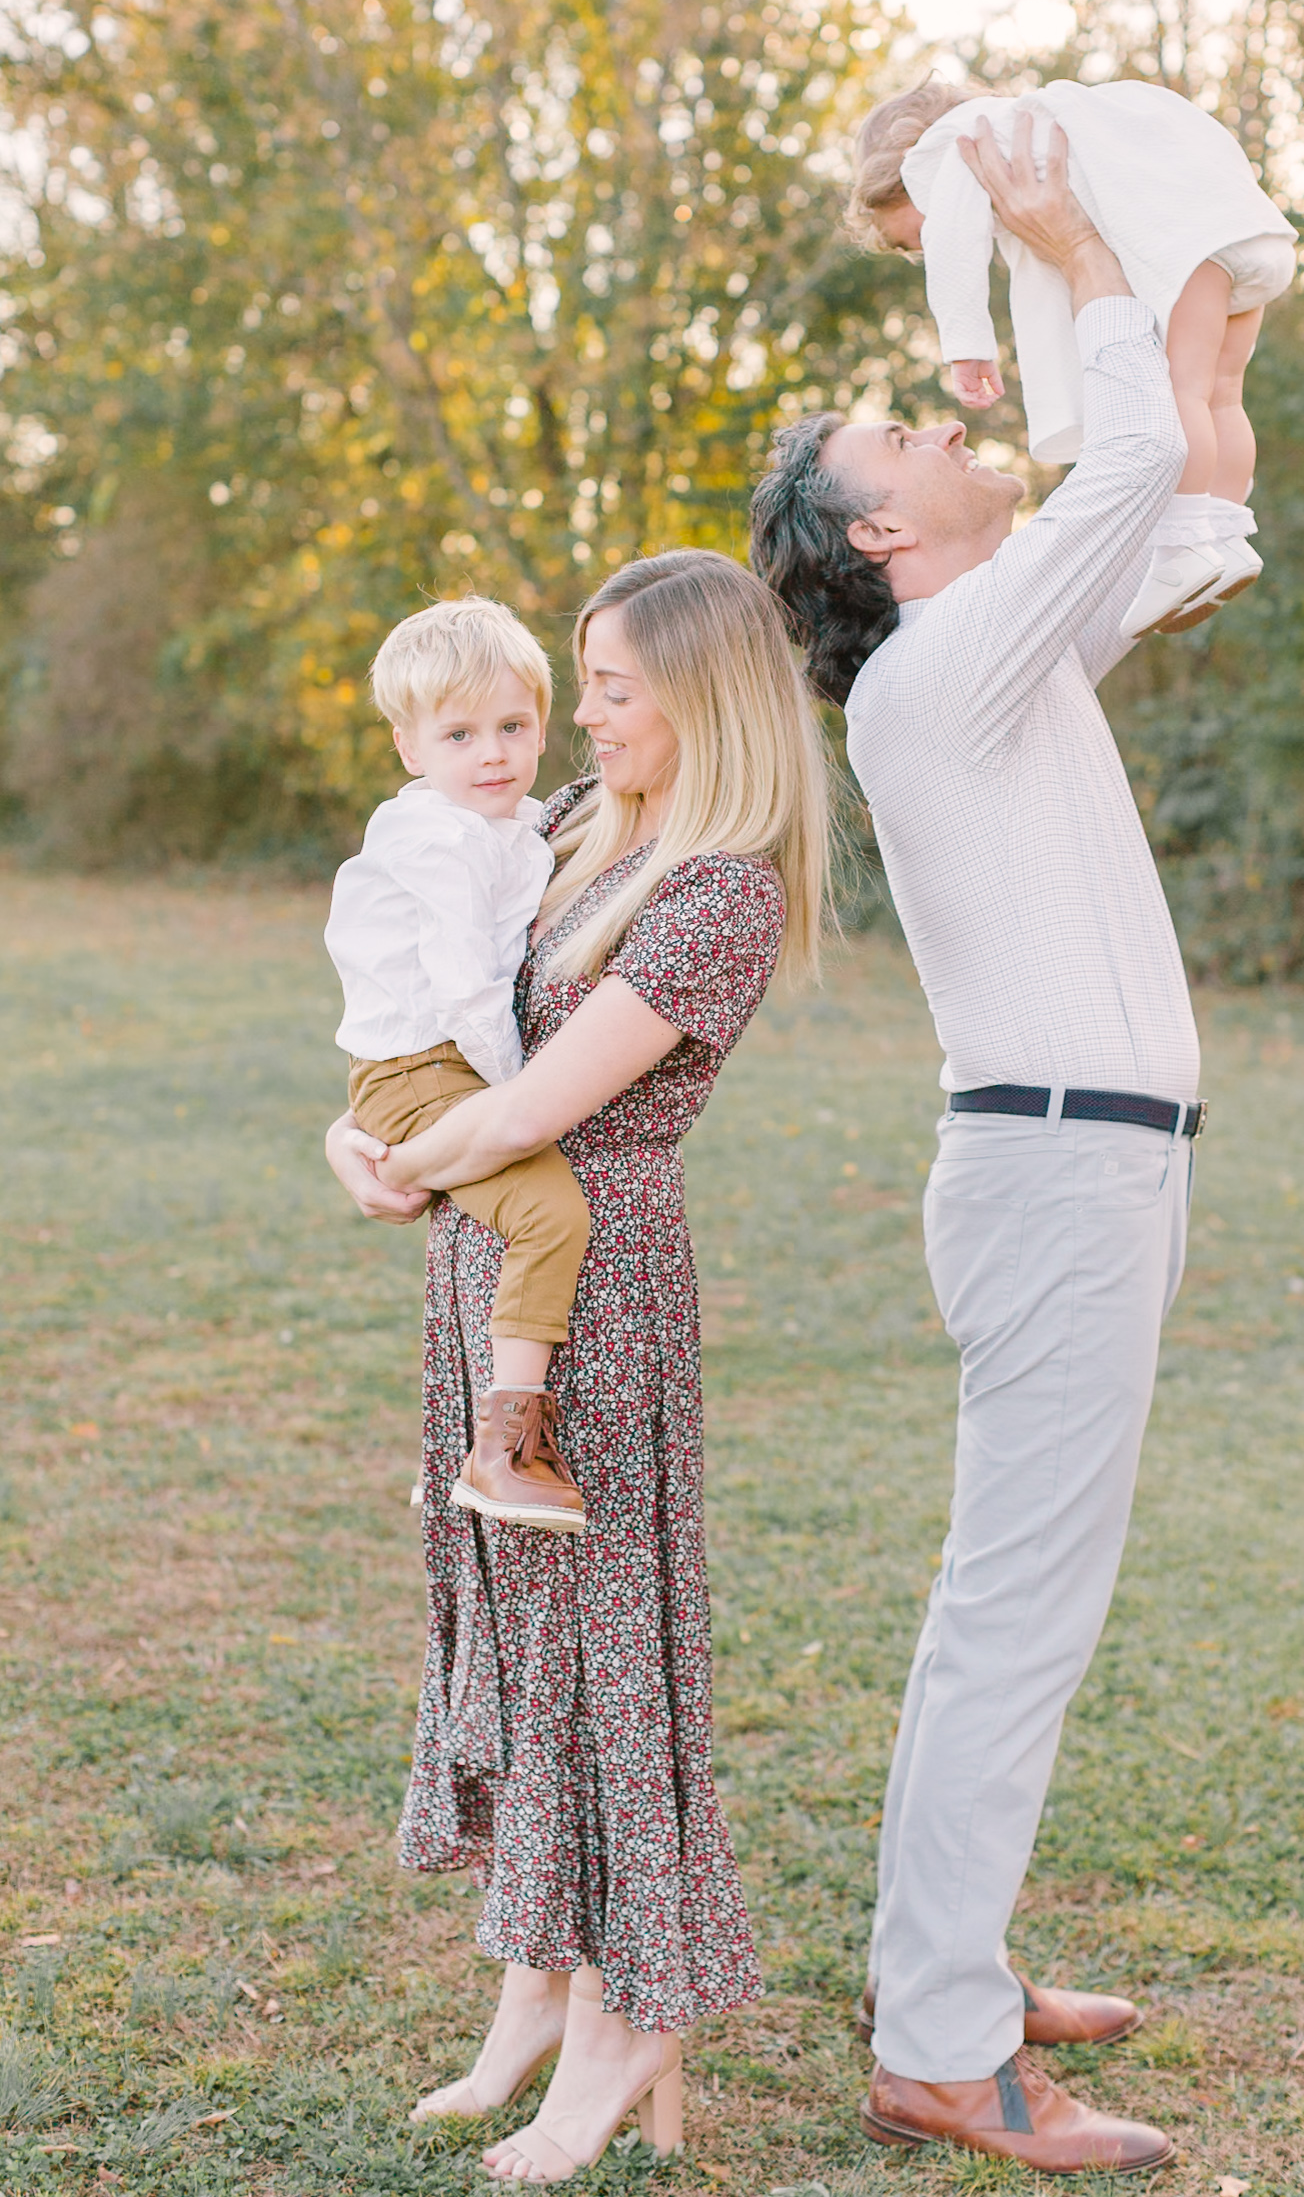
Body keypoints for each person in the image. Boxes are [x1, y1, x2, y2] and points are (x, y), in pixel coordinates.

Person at [750, 111, 1200, 2178]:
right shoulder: (936, 674)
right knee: (1015, 1611)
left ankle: (951, 1970)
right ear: (879, 535)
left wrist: (1172, 301)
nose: (941, 421)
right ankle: (937, 2044)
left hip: (1089, 1161)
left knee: (1010, 1604)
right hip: (1055, 1168)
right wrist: (1059, 237)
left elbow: (1168, 492)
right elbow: (1124, 465)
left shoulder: (986, 655)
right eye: (900, 433)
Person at [325, 551, 830, 2186]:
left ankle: (627, 2019)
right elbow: (428, 1007)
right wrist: (353, 1135)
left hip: (594, 1287)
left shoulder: (719, 891)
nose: (580, 716)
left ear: (701, 699)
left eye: (610, 688)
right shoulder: (560, 828)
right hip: (487, 1256)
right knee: (516, 1631)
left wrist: (414, 1160)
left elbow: (544, 1105)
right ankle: (535, 1979)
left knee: (597, 1647)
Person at [848, 74, 1296, 638]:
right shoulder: (1053, 126)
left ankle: (1182, 550)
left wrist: (967, 347)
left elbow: (954, 248)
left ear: (904, 175)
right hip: (1243, 231)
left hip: (1192, 247)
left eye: (912, 242)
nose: (921, 251)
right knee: (1221, 397)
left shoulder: (956, 149)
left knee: (1183, 392)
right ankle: (1225, 537)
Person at [325, 595, 592, 1529]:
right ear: (411, 749)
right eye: (460, 735)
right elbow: (469, 990)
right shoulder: (440, 843)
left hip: (428, 1064)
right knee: (548, 1212)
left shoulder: (515, 825)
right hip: (424, 1066)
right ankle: (503, 1449)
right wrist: (519, 1094)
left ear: (543, 726)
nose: (492, 754)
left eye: (513, 727)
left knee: (512, 1218)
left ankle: (472, 1439)